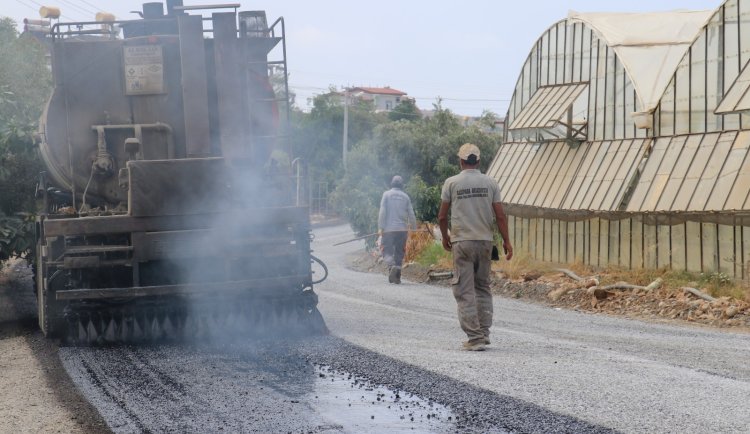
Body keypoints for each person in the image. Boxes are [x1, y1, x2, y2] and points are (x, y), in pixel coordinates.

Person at [438, 143, 513, 351]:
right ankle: (484, 333)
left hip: (462, 242)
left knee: (464, 290)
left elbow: (442, 216)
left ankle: (475, 337)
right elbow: (500, 215)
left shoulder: (451, 183)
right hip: (485, 242)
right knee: (482, 288)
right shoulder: (491, 182)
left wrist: (445, 237)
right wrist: (506, 242)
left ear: (461, 161)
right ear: (478, 161)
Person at [378, 175, 417, 284]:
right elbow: (411, 214)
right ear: (402, 185)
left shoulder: (386, 194)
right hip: (402, 230)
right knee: (400, 252)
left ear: (392, 184)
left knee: (386, 250)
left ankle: (391, 266)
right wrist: (414, 229)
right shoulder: (406, 197)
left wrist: (381, 227)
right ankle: (397, 277)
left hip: (389, 230)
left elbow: (382, 212)